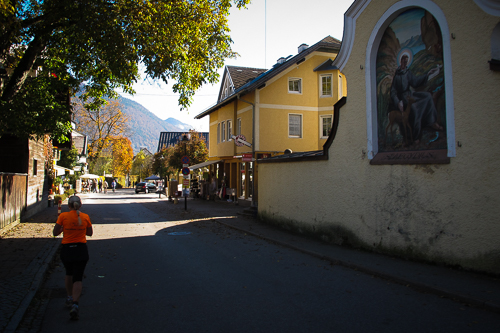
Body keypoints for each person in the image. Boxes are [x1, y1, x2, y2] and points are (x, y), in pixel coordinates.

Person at [52, 196, 93, 320]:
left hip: (67, 249)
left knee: (69, 273)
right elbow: (90, 233)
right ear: (80, 205)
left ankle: (69, 297)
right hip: (81, 250)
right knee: (78, 277)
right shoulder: (85, 217)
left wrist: (64, 229)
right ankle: (75, 303)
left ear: (68, 205)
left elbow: (55, 232)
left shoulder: (63, 216)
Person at [390, 52, 442, 144]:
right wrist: (398, 102)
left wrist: (427, 74)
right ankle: (415, 136)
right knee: (415, 109)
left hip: (410, 94)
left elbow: (415, 82)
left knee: (427, 96)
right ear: (400, 61)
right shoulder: (397, 75)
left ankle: (432, 121)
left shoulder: (408, 72)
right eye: (403, 61)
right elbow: (393, 91)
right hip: (403, 98)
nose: (404, 63)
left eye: (406, 62)